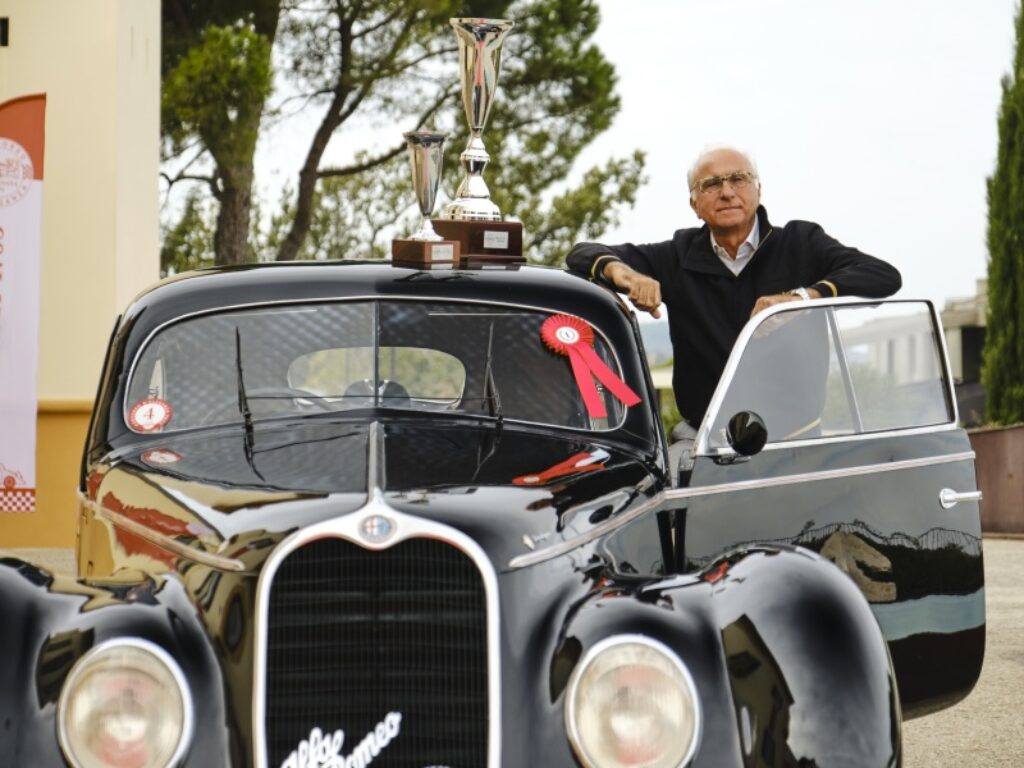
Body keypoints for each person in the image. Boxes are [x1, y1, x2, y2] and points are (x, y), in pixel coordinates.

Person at [566, 146, 902, 433]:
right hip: (706, 440)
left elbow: (883, 276)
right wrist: (626, 275)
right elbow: (581, 253)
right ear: (694, 203)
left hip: (797, 439)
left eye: (738, 179)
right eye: (711, 184)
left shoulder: (800, 242)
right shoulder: (676, 254)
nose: (727, 192)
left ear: (759, 190)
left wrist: (800, 298)